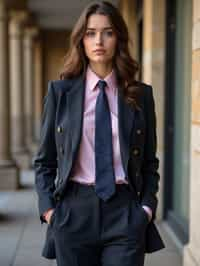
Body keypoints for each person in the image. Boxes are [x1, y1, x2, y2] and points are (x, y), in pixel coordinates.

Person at [34, 1, 165, 266]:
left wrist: (146, 210)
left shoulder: (141, 95)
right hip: (73, 213)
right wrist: (50, 211)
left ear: (119, 38)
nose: (99, 41)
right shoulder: (61, 93)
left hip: (125, 213)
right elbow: (44, 162)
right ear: (80, 40)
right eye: (90, 33)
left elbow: (150, 162)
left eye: (108, 32)